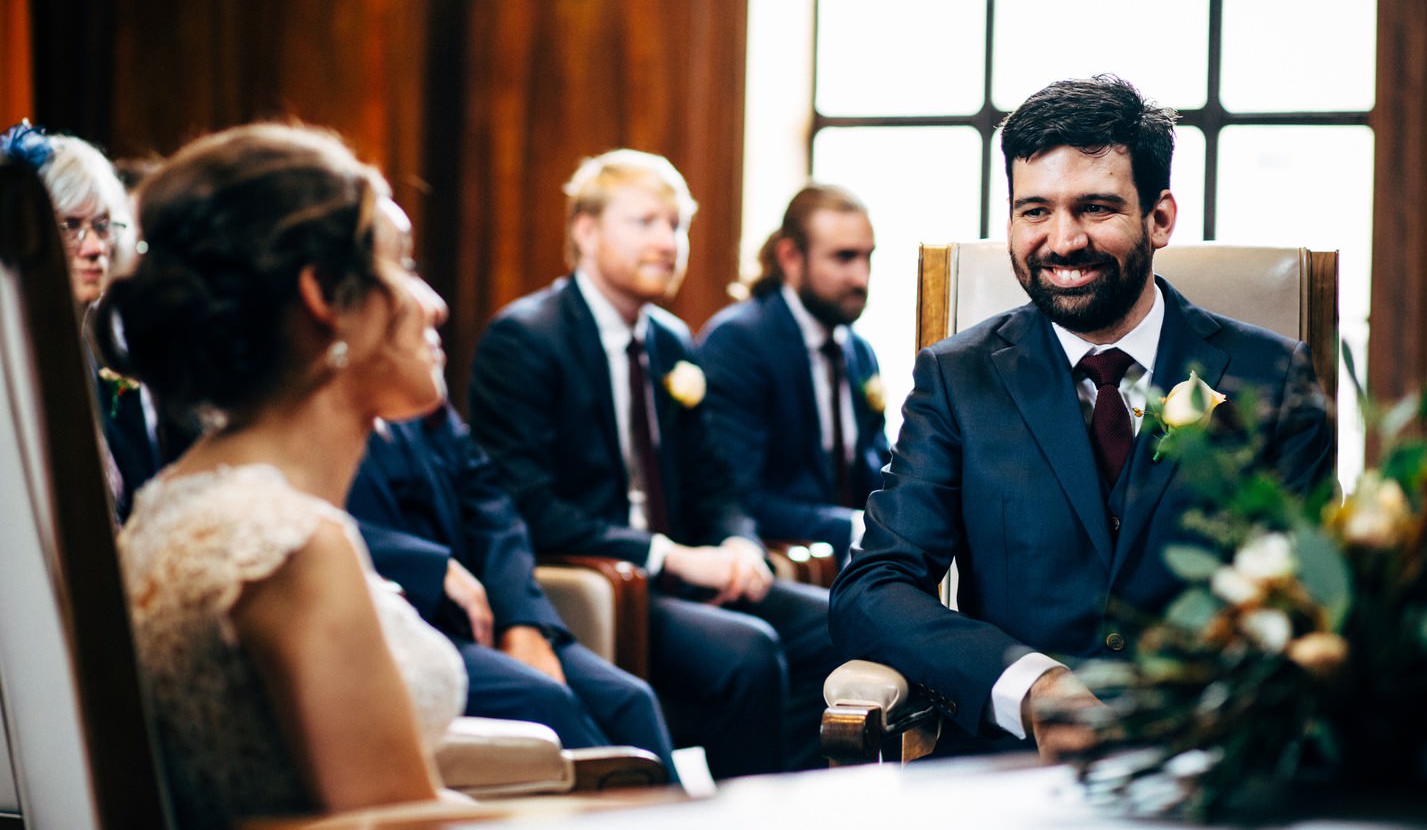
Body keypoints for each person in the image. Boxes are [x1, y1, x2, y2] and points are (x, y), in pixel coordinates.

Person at [828, 75, 1335, 762]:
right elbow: (872, 590)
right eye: (1034, 211)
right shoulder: (956, 378)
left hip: (1212, 762)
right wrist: (1031, 687)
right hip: (1007, 767)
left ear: (1160, 218)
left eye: (1095, 208)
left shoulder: (1270, 375)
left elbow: (1312, 598)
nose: (1063, 241)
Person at [99, 122, 463, 827]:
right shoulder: (290, 547)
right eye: (401, 265)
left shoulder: (175, 501)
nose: (433, 304)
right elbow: (397, 822)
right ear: (324, 295)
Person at [467, 149, 838, 780]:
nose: (668, 242)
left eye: (677, 225)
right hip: (600, 580)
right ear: (586, 231)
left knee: (835, 625)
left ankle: (789, 802)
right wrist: (667, 556)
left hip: (681, 572)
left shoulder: (668, 341)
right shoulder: (526, 337)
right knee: (747, 652)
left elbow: (714, 480)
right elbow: (530, 504)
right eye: (645, 222)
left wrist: (738, 543)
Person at [347, 400, 679, 780]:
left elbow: (493, 508)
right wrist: (433, 567)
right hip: (394, 625)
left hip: (481, 616)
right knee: (540, 699)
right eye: (420, 338)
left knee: (630, 700)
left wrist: (520, 621)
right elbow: (315, 519)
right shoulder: (318, 410)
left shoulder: (423, 408)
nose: (437, 357)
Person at [697, 184, 889, 563]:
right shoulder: (739, 342)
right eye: (844, 257)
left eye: (867, 257)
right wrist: (856, 527)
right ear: (790, 256)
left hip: (852, 559)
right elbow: (739, 495)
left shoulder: (858, 352)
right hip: (779, 555)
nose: (861, 278)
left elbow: (877, 473)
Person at [0, 121, 171, 513]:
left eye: (102, 227)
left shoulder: (99, 356)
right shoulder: (14, 363)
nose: (94, 247)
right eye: (72, 226)